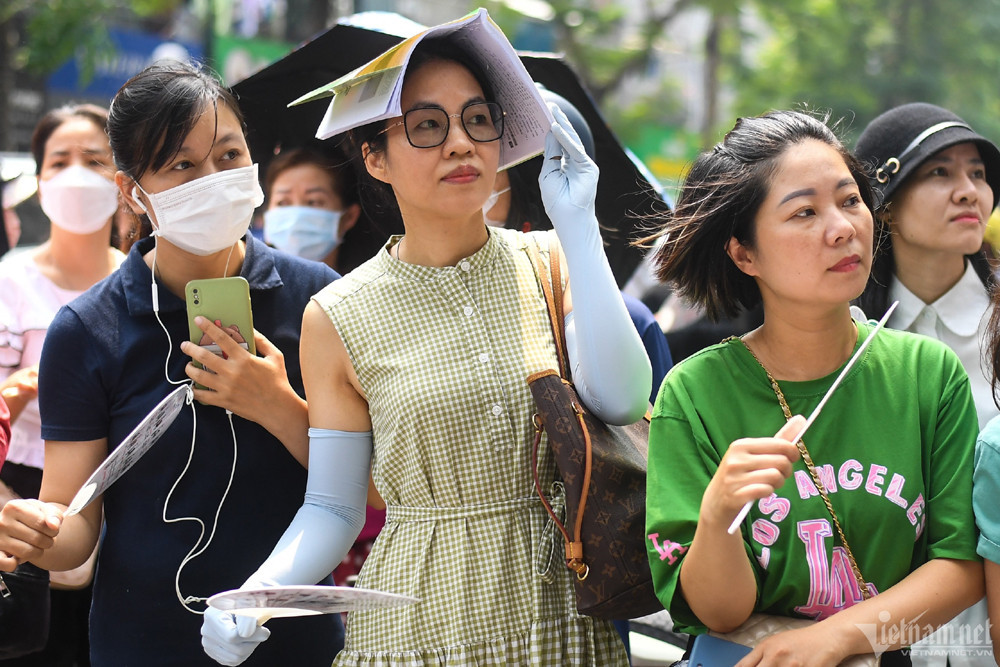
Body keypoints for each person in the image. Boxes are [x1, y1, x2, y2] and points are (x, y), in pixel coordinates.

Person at [200, 30, 651, 666]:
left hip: (556, 613)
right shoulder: (337, 313)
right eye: (427, 125)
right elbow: (334, 504)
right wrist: (258, 592)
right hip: (413, 621)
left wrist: (577, 225)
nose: (461, 142)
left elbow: (626, 397)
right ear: (375, 159)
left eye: (477, 120)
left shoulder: (551, 261)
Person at [0, 62, 344, 666]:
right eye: (182, 165)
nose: (213, 179)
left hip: (297, 640)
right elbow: (75, 525)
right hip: (145, 640)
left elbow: (367, 484)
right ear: (134, 191)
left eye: (230, 154)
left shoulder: (320, 296)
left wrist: (278, 406)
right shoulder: (86, 329)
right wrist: (41, 532)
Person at [644, 110, 983, 666]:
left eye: (850, 201)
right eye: (805, 211)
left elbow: (959, 566)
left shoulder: (928, 374)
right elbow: (719, 613)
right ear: (743, 252)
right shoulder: (695, 392)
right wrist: (718, 514)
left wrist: (836, 638)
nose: (844, 227)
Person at [855, 102, 999, 666]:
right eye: (939, 172)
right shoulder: (846, 335)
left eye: (978, 173)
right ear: (882, 210)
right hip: (873, 626)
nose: (968, 191)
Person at [0, 103, 128, 667]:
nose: (77, 173)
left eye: (95, 159)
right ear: (39, 179)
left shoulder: (143, 280)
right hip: (19, 491)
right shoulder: (10, 279)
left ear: (124, 180)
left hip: (123, 497)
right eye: (60, 160)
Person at [261, 145, 387, 587]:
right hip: (274, 529)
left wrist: (277, 404)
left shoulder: (372, 303)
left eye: (314, 203)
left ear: (347, 215)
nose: (296, 214)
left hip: (368, 536)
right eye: (283, 200)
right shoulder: (249, 307)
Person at [262, 146, 364, 273]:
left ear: (349, 216)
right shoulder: (246, 289)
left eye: (313, 202)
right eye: (283, 203)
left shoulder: (370, 290)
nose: (296, 217)